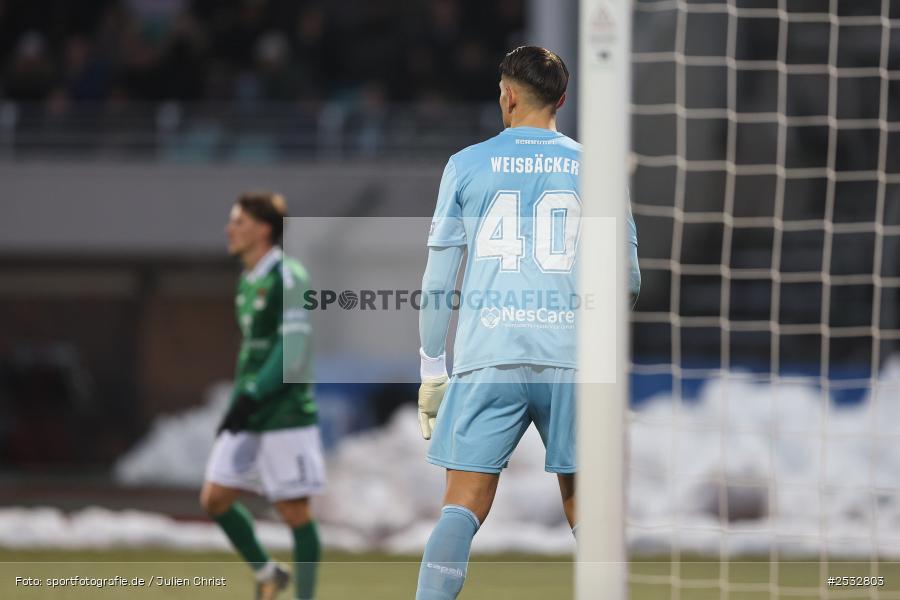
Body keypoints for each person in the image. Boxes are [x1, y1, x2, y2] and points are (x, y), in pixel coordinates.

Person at [414, 46, 641, 599]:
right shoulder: (598, 167)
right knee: (588, 507)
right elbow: (627, 281)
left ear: (508, 95)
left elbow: (439, 282)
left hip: (489, 355)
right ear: (561, 100)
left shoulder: (466, 164)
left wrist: (431, 370)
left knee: (463, 504)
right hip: (571, 360)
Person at [200, 192, 324, 600]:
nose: (229, 229)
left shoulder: (288, 275)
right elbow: (253, 348)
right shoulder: (248, 280)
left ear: (264, 229)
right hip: (250, 408)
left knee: (294, 513)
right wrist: (240, 398)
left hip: (283, 411)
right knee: (215, 497)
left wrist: (252, 394)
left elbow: (294, 347)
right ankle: (269, 573)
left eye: (238, 222)